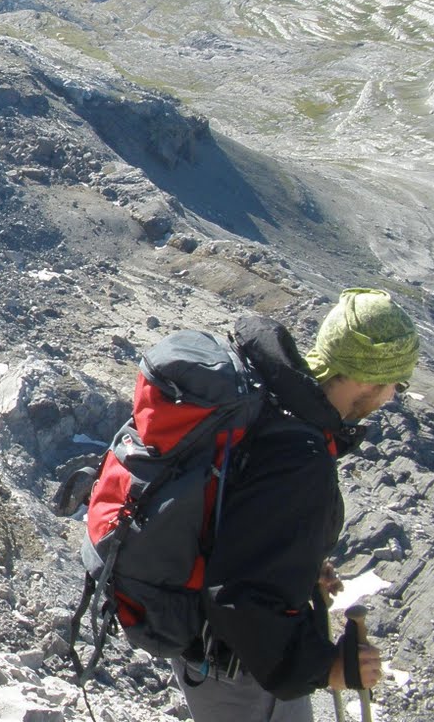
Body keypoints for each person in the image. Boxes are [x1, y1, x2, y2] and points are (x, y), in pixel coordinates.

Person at [168, 288, 419, 721]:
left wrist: (295, 564)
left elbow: (249, 526)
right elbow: (240, 599)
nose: (392, 396)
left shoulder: (278, 402)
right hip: (240, 672)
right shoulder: (301, 457)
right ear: (365, 378)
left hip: (209, 652)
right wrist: (329, 668)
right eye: (395, 382)